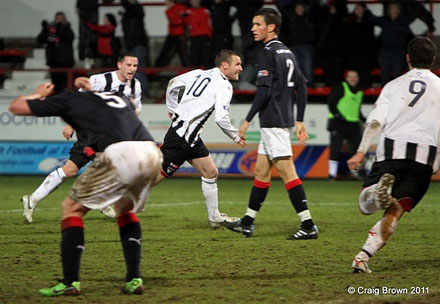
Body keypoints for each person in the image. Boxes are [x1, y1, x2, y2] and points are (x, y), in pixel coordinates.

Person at [9, 81, 161, 296]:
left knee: (70, 208)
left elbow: (16, 107)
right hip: (151, 151)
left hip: (122, 153)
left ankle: (70, 282)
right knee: (124, 210)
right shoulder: (113, 97)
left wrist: (37, 95)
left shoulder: (68, 99)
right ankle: (134, 279)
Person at [347, 36, 440, 273]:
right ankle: (363, 256)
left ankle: (376, 191)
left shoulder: (393, 86)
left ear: (408, 58)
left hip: (392, 150)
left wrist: (359, 152)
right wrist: (436, 161)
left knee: (364, 205)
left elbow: (376, 122)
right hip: (424, 158)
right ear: (433, 60)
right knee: (396, 210)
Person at [225, 8, 319, 240]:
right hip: (282, 118)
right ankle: (247, 222)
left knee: (288, 172)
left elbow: (264, 92)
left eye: (258, 24)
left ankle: (308, 224)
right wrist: (299, 120)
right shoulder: (287, 52)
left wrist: (246, 121)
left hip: (273, 120)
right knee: (261, 171)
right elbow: (303, 86)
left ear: (271, 27)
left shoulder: (267, 53)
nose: (253, 28)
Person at [21, 53, 143, 223]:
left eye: (135, 66)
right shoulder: (100, 80)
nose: (132, 69)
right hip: (90, 131)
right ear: (119, 65)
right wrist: (71, 124)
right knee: (80, 169)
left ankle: (35, 199)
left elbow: (136, 108)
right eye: (128, 65)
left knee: (103, 168)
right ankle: (35, 199)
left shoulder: (135, 86)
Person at [156, 49, 245, 228]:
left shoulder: (199, 73)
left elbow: (173, 83)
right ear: (225, 65)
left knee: (210, 172)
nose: (241, 68)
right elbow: (221, 118)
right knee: (152, 177)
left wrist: (173, 109)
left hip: (190, 137)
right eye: (237, 64)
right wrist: (235, 135)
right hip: (181, 139)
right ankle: (117, 200)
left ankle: (215, 217)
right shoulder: (225, 86)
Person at [327, 70, 365, 180]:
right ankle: (332, 174)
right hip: (339, 123)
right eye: (350, 77)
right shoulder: (340, 88)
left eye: (355, 77)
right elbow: (331, 103)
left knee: (356, 150)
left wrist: (364, 119)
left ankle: (355, 173)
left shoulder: (360, 91)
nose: (353, 79)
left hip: (353, 124)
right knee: (335, 149)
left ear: (358, 78)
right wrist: (337, 115)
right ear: (346, 78)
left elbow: (357, 109)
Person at [36, 12, 75, 93]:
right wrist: (44, 30)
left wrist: (59, 28)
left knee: (66, 86)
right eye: (58, 19)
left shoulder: (67, 29)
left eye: (62, 19)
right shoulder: (51, 31)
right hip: (53, 62)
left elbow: (68, 38)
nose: (59, 21)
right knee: (55, 86)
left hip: (65, 63)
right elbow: (40, 40)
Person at [121, 0, 151, 97]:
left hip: (137, 43)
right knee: (135, 69)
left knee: (137, 69)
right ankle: (141, 91)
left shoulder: (136, 9)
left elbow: (129, 7)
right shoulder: (131, 11)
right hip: (133, 44)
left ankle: (143, 91)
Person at [154, 0, 188, 67]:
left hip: (179, 34)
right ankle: (157, 66)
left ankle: (186, 67)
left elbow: (185, 19)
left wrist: (181, 18)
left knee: (182, 53)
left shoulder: (181, 7)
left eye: (167, 2)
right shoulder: (169, 11)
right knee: (165, 51)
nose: (166, 3)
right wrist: (181, 17)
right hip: (173, 33)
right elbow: (175, 21)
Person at [185, 0, 213, 67]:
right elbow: (186, 24)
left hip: (204, 35)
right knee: (194, 55)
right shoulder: (188, 12)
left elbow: (209, 23)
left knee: (206, 55)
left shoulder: (205, 11)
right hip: (194, 36)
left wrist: (210, 35)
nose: (194, 2)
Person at [76, 0, 98, 68]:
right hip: (84, 12)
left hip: (91, 11)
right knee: (83, 38)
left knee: (92, 38)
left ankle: (91, 57)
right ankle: (82, 59)